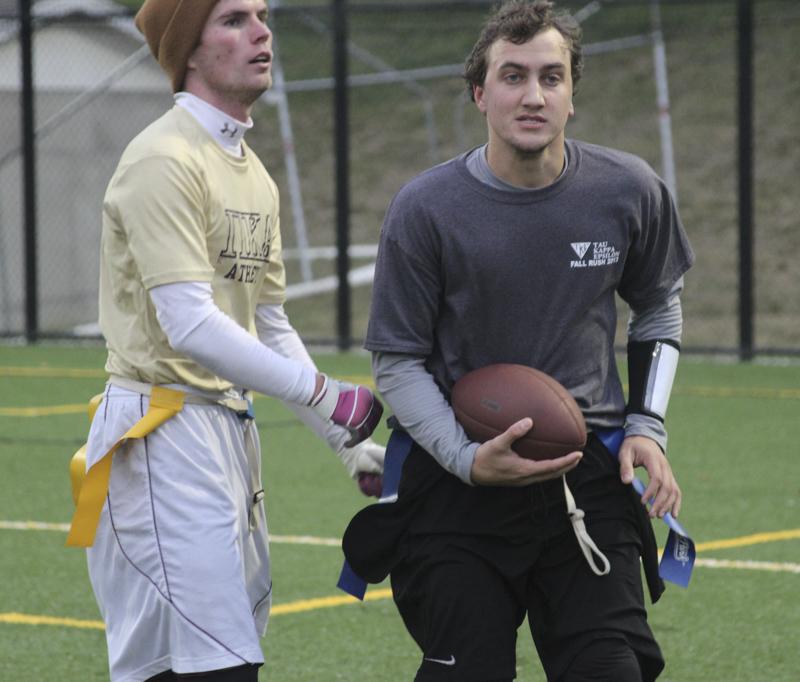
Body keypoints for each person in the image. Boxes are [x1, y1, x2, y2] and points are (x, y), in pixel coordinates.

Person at [344, 1, 695, 680]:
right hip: (456, 481)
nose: (533, 95)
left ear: (572, 96)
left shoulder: (628, 190)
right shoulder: (426, 209)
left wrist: (647, 425)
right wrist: (466, 457)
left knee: (611, 669)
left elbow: (658, 307)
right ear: (480, 94)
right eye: (512, 76)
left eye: (551, 77)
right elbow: (397, 359)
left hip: (585, 473)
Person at [66, 1, 384, 680]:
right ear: (187, 48)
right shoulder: (163, 158)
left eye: (262, 14)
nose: (263, 31)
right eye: (235, 18)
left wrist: (345, 442)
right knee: (218, 668)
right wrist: (328, 394)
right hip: (159, 440)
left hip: (224, 438)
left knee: (201, 665)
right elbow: (188, 322)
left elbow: (269, 324)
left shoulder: (254, 174)